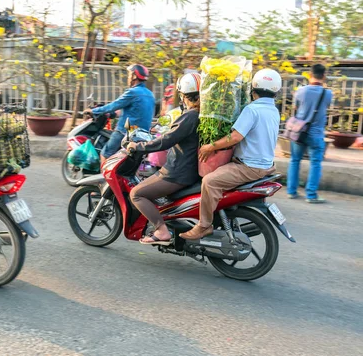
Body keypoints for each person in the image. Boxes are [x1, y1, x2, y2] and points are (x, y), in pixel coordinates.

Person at [180, 69, 282, 241]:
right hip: (264, 165)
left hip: (248, 167)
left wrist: (210, 147)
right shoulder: (274, 110)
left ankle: (203, 226)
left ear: (253, 88)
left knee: (209, 181)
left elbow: (235, 137)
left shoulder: (252, 109)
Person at [128, 73, 202, 245]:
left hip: (176, 173)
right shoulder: (201, 114)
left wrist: (139, 146)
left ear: (183, 95)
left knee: (136, 194)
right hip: (190, 171)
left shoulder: (190, 116)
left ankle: (161, 230)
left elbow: (167, 140)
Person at [86, 64, 155, 160]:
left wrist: (93, 111)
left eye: (130, 74)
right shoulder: (150, 94)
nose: (128, 77)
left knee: (105, 153)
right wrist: (116, 113)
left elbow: (113, 105)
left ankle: (104, 175)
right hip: (143, 134)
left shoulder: (132, 92)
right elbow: (136, 111)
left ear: (134, 76)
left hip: (126, 132)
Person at [287, 64, 333, 203]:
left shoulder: (301, 91)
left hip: (299, 132)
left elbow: (296, 107)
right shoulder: (328, 94)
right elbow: (326, 107)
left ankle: (291, 191)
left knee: (295, 160)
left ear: (309, 74)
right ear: (324, 76)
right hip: (316, 134)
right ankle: (311, 195)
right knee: (315, 163)